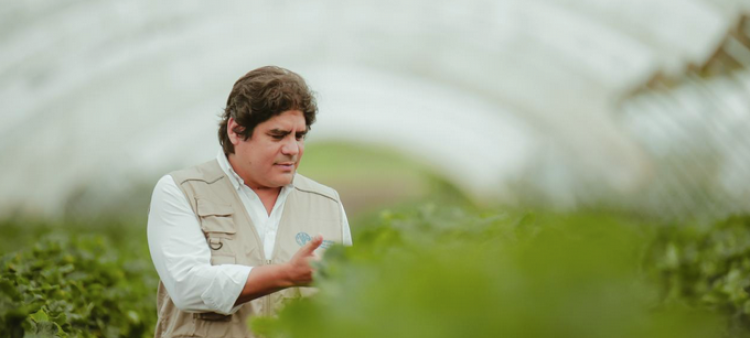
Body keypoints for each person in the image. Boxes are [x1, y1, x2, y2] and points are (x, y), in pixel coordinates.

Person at [147, 66, 352, 338]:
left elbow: (346, 301)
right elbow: (188, 287)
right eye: (277, 135)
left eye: (299, 136)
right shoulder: (183, 191)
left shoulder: (327, 203)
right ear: (237, 131)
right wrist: (286, 274)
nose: (292, 149)